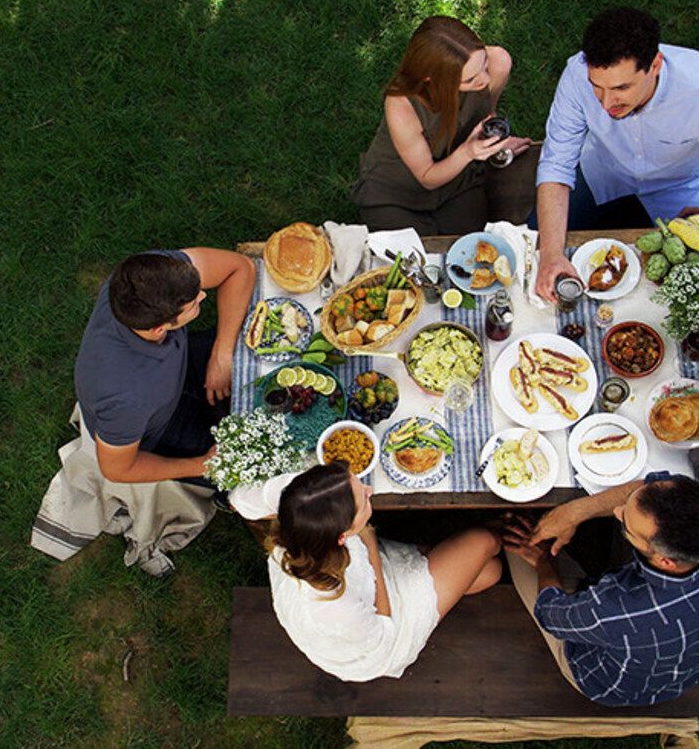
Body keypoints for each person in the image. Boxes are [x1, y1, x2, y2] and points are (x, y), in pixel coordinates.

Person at [531, 7, 699, 300]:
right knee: (533, 244)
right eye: (597, 88)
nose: (606, 103)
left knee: (678, 289)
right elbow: (556, 163)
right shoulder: (576, 75)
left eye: (621, 88)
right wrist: (552, 255)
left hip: (685, 187)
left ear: (655, 65)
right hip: (606, 170)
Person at [502, 474, 699, 706]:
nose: (617, 511)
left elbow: (551, 614)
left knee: (519, 543)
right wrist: (576, 512)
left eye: (626, 525)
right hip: (685, 667)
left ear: (666, 561)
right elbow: (661, 484)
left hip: (608, 684)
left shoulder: (614, 609)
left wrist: (543, 562)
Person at [261, 462, 502, 682]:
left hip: (365, 582)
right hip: (384, 629)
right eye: (363, 500)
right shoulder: (333, 604)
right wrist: (371, 542)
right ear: (343, 536)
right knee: (486, 544)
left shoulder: (301, 515)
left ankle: (465, 549)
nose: (370, 491)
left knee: (489, 571)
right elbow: (384, 626)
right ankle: (503, 534)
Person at [74, 248, 254, 484]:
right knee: (250, 468)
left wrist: (222, 355)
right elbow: (117, 469)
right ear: (159, 329)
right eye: (193, 303)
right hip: (162, 426)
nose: (203, 296)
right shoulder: (125, 398)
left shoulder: (143, 279)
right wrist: (202, 464)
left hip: (178, 363)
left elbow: (241, 267)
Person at [351, 15, 533, 234]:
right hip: (397, 190)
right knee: (416, 255)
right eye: (470, 80)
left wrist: (495, 146)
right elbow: (427, 177)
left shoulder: (498, 64)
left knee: (471, 245)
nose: (484, 81)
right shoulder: (402, 105)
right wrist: (468, 153)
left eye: (483, 67)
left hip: (458, 179)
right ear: (432, 79)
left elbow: (485, 115)